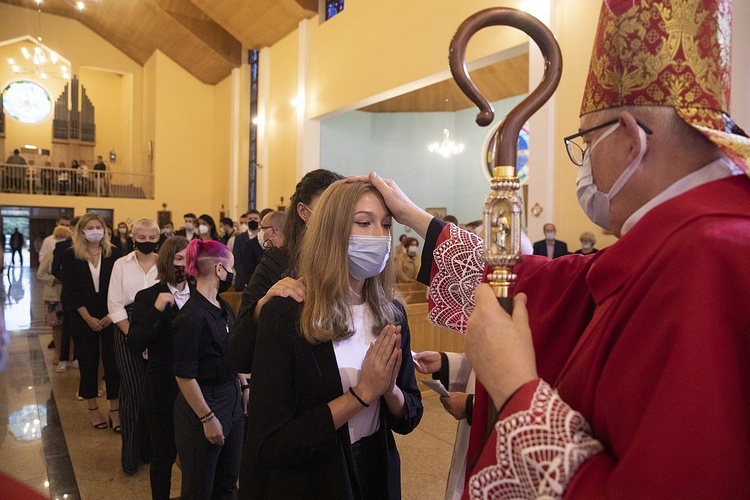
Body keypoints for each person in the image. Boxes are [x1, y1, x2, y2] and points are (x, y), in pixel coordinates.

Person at [358, 0, 750, 497]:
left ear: (630, 140)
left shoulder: (712, 258)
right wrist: (417, 217)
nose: (584, 164)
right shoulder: (688, 239)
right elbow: (547, 285)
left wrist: (517, 387)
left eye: (585, 143)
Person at [241, 180, 423, 499]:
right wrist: (363, 393)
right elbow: (271, 445)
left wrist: (389, 389)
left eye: (385, 224)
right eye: (364, 223)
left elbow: (410, 414)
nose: (380, 236)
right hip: (315, 479)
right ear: (332, 231)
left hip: (376, 470)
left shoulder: (392, 313)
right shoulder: (287, 315)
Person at [229, 168, 343, 373]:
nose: (337, 217)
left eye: (343, 208)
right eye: (328, 207)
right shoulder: (278, 262)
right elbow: (238, 351)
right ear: (303, 212)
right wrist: (262, 306)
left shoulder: (352, 263)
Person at [172, 239, 245, 499]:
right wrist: (207, 417)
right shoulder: (191, 316)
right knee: (199, 488)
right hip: (204, 402)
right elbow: (184, 374)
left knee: (227, 482)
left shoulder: (224, 307)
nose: (233, 274)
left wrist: (244, 387)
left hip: (230, 398)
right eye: (231, 267)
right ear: (219, 269)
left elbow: (233, 352)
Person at [128, 236, 190, 500]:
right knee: (163, 456)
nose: (184, 264)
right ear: (167, 261)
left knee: (193, 457)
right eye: (178, 259)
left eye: (189, 259)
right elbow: (135, 342)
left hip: (195, 389)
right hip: (162, 388)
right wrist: (157, 310)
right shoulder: (147, 296)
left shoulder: (200, 294)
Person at [108, 218, 160, 475]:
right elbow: (115, 304)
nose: (147, 241)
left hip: (157, 330)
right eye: (142, 236)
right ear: (133, 238)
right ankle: (130, 454)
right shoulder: (121, 264)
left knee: (152, 392)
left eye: (152, 237)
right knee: (133, 392)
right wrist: (132, 334)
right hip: (126, 329)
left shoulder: (164, 263)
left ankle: (149, 450)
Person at [61, 213, 121, 431]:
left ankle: (115, 410)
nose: (95, 231)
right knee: (88, 364)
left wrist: (110, 315)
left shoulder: (113, 253)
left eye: (99, 227)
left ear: (104, 230)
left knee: (112, 363)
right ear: (82, 231)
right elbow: (70, 290)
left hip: (110, 315)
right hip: (82, 316)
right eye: (90, 227)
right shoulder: (71, 255)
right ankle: (93, 409)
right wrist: (87, 317)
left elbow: (118, 287)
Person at [37, 226, 74, 365]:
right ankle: (58, 353)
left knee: (70, 327)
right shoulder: (51, 254)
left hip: (69, 295)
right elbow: (40, 274)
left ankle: (70, 354)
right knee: (57, 326)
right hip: (54, 296)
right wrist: (56, 279)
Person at [52, 216, 80, 371]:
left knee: (81, 327)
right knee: (67, 326)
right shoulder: (62, 246)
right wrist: (69, 279)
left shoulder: (92, 247)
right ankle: (64, 357)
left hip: (86, 293)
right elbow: (55, 269)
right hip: (69, 291)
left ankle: (77, 356)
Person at [231, 210, 263, 291]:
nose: (253, 220)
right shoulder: (239, 238)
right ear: (246, 221)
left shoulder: (263, 237)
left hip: (261, 280)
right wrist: (245, 279)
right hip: (243, 281)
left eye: (256, 218)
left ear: (260, 220)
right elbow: (237, 260)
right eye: (250, 218)